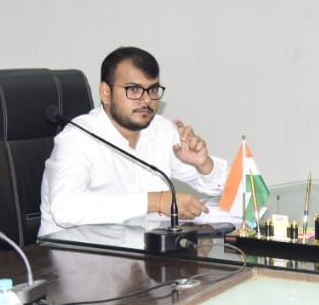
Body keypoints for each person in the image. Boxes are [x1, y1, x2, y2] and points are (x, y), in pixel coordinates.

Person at [39, 46, 227, 234]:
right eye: (134, 89)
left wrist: (204, 165)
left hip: (140, 247)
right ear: (105, 93)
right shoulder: (78, 137)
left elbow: (228, 187)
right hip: (73, 249)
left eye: (153, 90)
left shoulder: (162, 131)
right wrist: (156, 201)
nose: (146, 100)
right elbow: (65, 209)